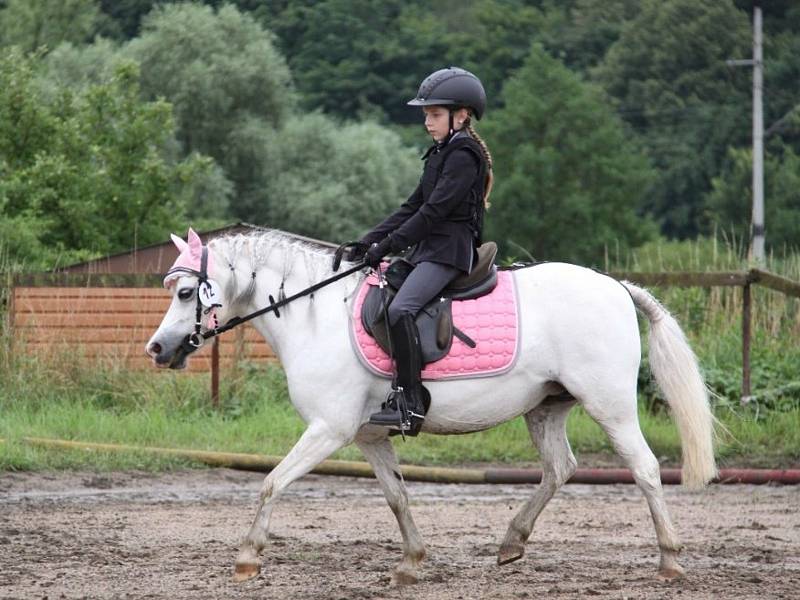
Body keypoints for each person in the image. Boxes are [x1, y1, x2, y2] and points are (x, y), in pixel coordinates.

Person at [354, 66, 494, 436]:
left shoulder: (464, 155)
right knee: (386, 297)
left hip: (449, 252)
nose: (427, 122)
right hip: (427, 250)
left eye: (434, 114)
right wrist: (368, 241)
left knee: (401, 309)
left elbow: (433, 213)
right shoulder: (440, 152)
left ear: (461, 115)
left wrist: (387, 246)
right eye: (426, 115)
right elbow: (412, 205)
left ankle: (411, 401)